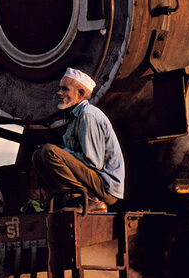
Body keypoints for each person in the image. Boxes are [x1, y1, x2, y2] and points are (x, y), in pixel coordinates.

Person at [31, 68, 124, 212]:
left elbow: (93, 162)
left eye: (64, 89)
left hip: (105, 187)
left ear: (80, 93)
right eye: (60, 89)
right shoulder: (75, 116)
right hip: (94, 181)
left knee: (50, 152)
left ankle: (90, 201)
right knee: (38, 156)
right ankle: (66, 200)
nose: (59, 93)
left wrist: (61, 152)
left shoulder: (88, 116)